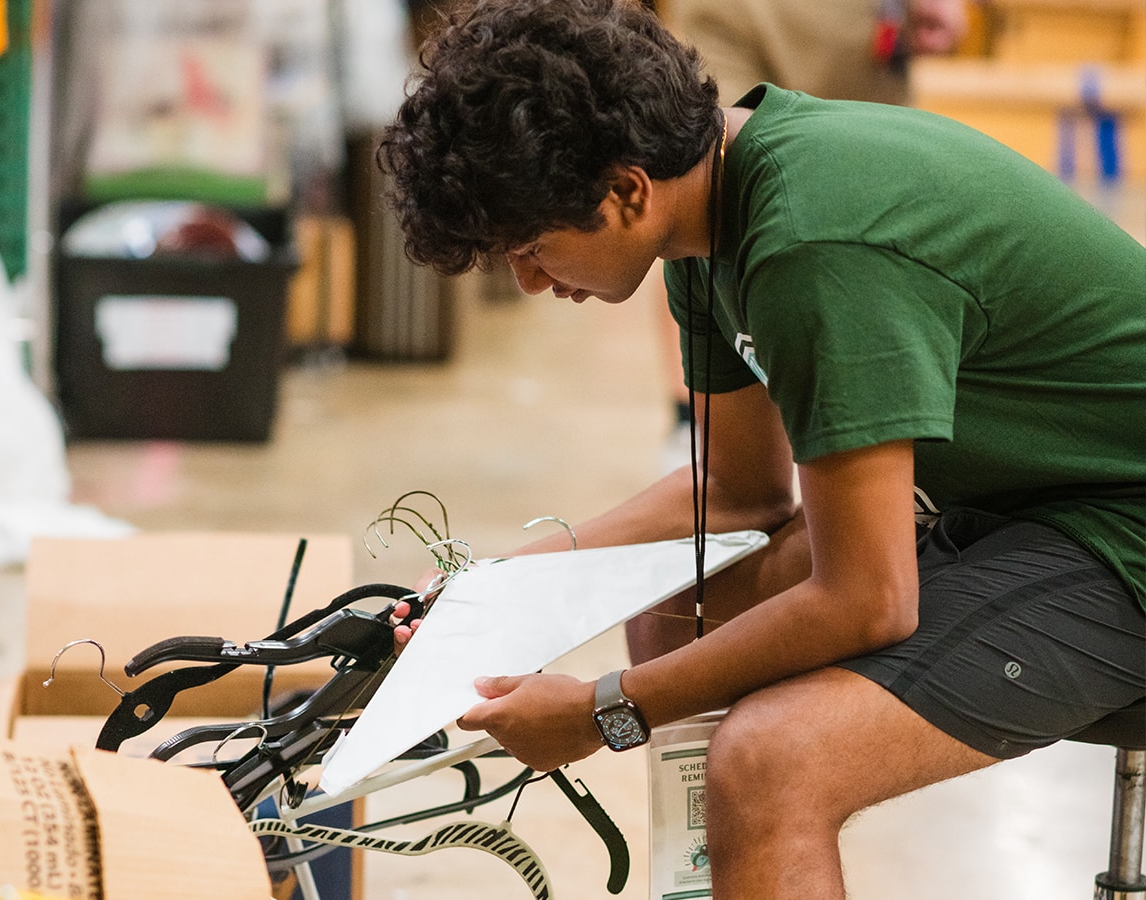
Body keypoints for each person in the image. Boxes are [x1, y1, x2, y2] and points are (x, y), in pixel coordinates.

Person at [380, 1, 1146, 897]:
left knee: (770, 761)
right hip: (1039, 504)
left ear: (628, 190)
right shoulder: (705, 216)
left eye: (536, 247)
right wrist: (501, 584)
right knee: (677, 610)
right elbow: (739, 495)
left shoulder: (813, 239)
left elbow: (868, 600)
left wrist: (604, 712)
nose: (530, 280)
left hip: (1121, 530)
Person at [655, 0, 970, 471]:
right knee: (702, 185)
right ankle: (700, 421)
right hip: (725, 15)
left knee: (863, 206)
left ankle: (874, 427)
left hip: (850, 26)